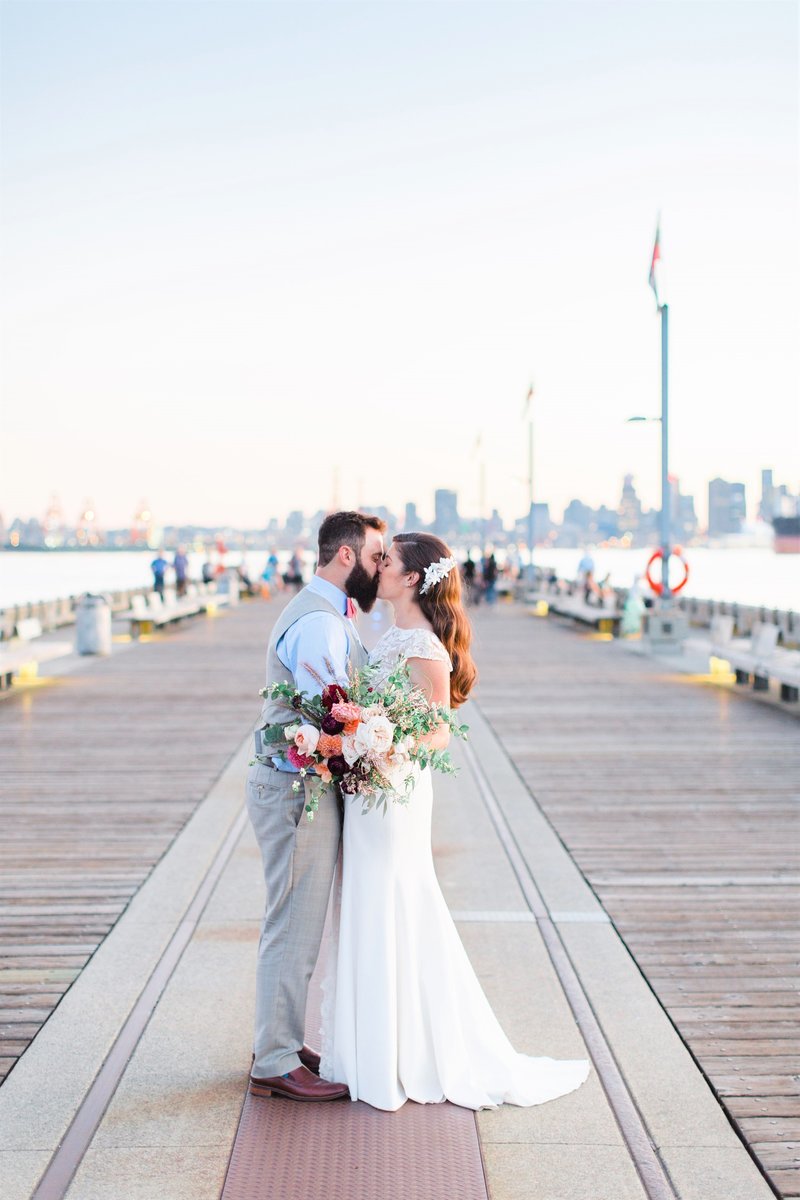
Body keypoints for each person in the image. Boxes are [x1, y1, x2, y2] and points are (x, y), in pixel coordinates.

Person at [320, 532, 590, 1111]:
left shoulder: (423, 645)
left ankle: (405, 1054)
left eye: (386, 561)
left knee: (395, 902)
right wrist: (357, 734)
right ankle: (376, 1049)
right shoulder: (388, 634)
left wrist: (382, 740)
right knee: (369, 904)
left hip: (395, 791)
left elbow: (439, 729)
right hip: (372, 788)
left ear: (412, 578)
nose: (378, 568)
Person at [246, 511, 387, 1103]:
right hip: (294, 789)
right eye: (377, 556)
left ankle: (281, 1041)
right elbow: (327, 714)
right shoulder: (321, 625)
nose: (382, 567)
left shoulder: (327, 614)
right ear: (347, 557)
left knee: (299, 921)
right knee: (294, 923)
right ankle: (275, 1059)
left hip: (298, 785)